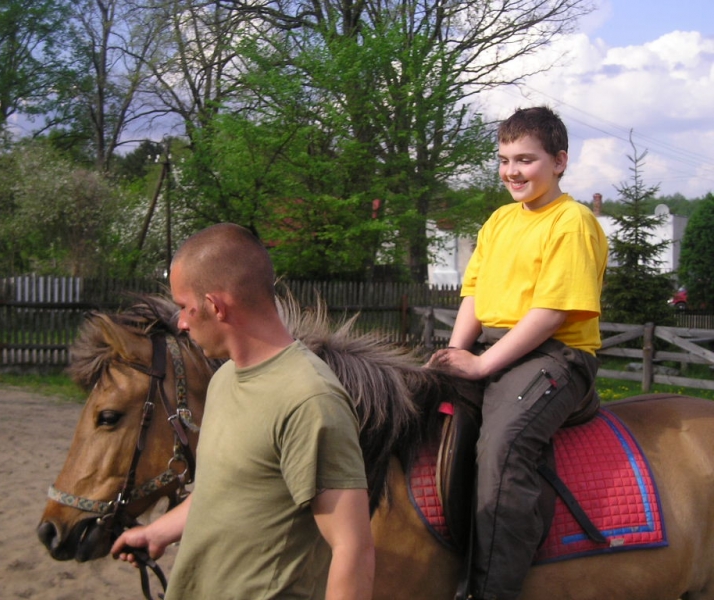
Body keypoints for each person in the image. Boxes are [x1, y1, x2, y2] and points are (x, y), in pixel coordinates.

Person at [111, 223, 375, 599]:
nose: (181, 323)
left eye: (186, 307)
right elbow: (228, 494)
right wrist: (158, 532)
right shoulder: (224, 380)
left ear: (216, 307)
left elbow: (353, 550)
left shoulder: (310, 400)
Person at [426, 106, 608, 600]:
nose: (512, 171)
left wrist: (483, 365)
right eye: (504, 159)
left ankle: (490, 590)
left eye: (526, 159)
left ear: (560, 161)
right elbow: (475, 295)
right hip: (495, 344)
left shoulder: (571, 222)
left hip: (557, 357)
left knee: (504, 446)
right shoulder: (500, 220)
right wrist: (454, 354)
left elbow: (551, 312)